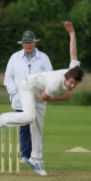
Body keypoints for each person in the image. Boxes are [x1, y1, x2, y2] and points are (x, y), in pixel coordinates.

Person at [0, 21, 84, 176]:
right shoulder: (54, 83)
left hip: (40, 91)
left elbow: (73, 52)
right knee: (29, 117)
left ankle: (36, 160)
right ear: (66, 77)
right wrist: (62, 98)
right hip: (28, 87)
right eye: (70, 82)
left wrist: (72, 33)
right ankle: (0, 120)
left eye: (75, 84)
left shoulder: (72, 70)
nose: (71, 85)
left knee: (38, 127)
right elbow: (44, 97)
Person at [4, 30, 53, 163]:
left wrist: (46, 92)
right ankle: (25, 156)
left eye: (30, 42)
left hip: (38, 98)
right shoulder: (15, 58)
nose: (28, 45)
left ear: (35, 43)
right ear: (22, 43)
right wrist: (14, 93)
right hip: (21, 98)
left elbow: (50, 76)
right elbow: (8, 78)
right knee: (24, 127)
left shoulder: (43, 58)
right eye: (26, 42)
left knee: (36, 126)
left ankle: (35, 156)